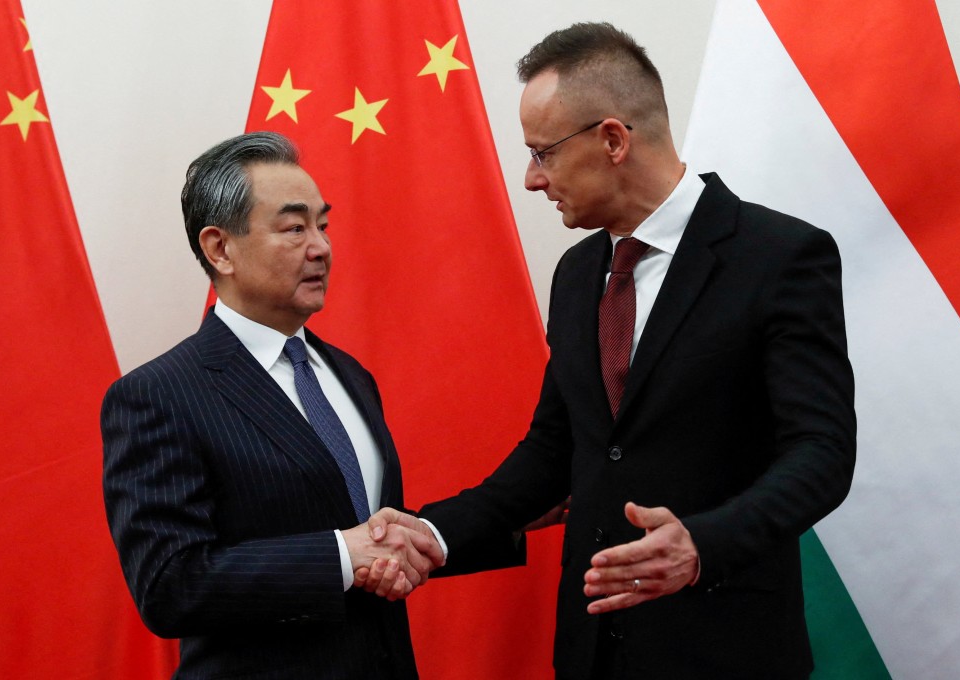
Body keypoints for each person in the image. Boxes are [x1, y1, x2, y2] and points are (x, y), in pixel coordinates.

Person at [362, 22, 857, 680]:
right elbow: (553, 452)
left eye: (543, 153)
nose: (532, 179)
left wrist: (704, 544)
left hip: (726, 648)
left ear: (613, 139)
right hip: (594, 653)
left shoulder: (779, 257)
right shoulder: (574, 276)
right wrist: (434, 532)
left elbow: (823, 453)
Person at [101, 131, 450, 679]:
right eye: (294, 228)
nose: (321, 247)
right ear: (220, 249)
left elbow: (368, 532)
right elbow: (168, 584)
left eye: (323, 225)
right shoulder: (158, 395)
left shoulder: (349, 374)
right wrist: (339, 556)